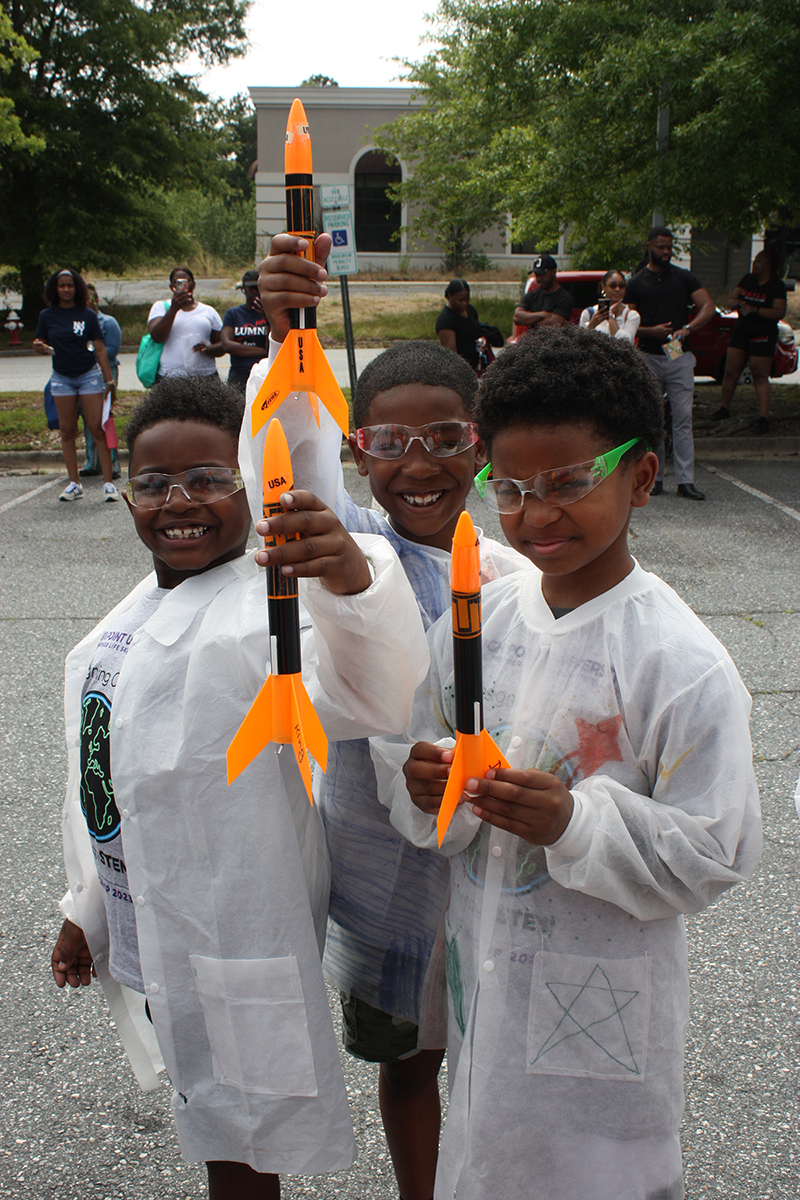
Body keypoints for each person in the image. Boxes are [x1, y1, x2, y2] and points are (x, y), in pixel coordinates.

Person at [371, 324, 761, 1200]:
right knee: (486, 1153)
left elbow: (715, 848)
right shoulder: (481, 625)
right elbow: (413, 752)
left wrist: (575, 823)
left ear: (642, 478)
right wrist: (425, 781)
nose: (536, 515)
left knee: (595, 1174)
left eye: (569, 484)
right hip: (487, 976)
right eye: (509, 489)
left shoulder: (675, 660)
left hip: (600, 1003)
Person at [50, 375, 429, 1199]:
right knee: (210, 1114)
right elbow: (99, 783)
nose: (179, 500)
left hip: (236, 935)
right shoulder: (121, 623)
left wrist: (352, 585)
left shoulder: (273, 607)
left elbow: (373, 690)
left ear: (251, 485)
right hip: (151, 927)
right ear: (125, 497)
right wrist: (88, 909)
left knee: (245, 1145)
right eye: (152, 483)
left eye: (211, 479)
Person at [246, 232, 531, 1200]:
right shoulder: (344, 546)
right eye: (389, 443)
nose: (419, 465)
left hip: (496, 874)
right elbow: (291, 471)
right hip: (382, 882)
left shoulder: (511, 575)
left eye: (446, 439)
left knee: (497, 1062)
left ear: (478, 447)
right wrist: (287, 335)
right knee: (407, 1066)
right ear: (358, 448)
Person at [624, 227, 715, 500]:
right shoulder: (637, 282)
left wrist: (688, 328)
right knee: (655, 418)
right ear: (649, 246)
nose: (666, 252)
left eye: (669, 247)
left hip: (677, 354)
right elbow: (625, 323)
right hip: (650, 355)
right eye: (661, 247)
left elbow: (708, 307)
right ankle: (657, 477)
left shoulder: (683, 277)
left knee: (683, 418)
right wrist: (650, 331)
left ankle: (686, 480)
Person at [33, 268, 119, 502]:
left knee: (96, 428)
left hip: (88, 375)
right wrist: (39, 346)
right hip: (61, 378)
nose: (66, 289)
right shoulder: (47, 316)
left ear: (77, 288)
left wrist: (108, 380)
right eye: (62, 285)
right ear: (55, 289)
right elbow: (41, 342)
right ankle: (74, 483)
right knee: (67, 431)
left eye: (70, 285)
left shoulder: (87, 315)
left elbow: (100, 349)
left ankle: (109, 483)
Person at [711, 247, 787, 434]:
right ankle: (724, 408)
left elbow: (779, 312)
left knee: (760, 375)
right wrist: (738, 304)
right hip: (741, 331)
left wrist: (756, 310)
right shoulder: (747, 280)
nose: (754, 264)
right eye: (754, 261)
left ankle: (763, 418)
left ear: (769, 265)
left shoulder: (776, 285)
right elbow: (732, 299)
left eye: (759, 261)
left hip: (763, 334)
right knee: (730, 372)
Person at [147, 267, 225, 378]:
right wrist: (174, 308)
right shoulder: (161, 307)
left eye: (187, 281)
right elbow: (157, 337)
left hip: (205, 376)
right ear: (172, 287)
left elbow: (223, 344)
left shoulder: (208, 311)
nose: (183, 285)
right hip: (170, 377)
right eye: (177, 282)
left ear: (193, 284)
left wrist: (208, 348)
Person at [80, 282, 122, 479]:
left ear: (95, 300)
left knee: (106, 419)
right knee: (89, 421)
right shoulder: (78, 323)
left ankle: (113, 464)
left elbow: (112, 349)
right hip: (84, 373)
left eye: (87, 299)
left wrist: (94, 353)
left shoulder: (108, 322)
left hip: (106, 372)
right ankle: (92, 462)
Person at [435, 279, 503, 373]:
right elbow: (452, 356)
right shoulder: (446, 320)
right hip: (464, 371)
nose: (464, 303)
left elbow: (477, 330)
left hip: (479, 365)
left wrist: (483, 339)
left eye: (467, 299)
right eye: (460, 300)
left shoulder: (470, 310)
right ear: (450, 296)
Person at [221, 268, 270, 390]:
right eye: (251, 288)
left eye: (258, 288)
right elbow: (227, 345)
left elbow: (272, 348)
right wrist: (262, 351)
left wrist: (267, 317)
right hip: (239, 374)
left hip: (263, 374)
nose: (255, 292)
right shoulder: (233, 314)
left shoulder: (271, 315)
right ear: (243, 289)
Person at [512, 253, 573, 336]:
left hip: (553, 345)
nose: (539, 278)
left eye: (543, 274)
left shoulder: (564, 298)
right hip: (532, 344)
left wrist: (529, 317)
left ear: (553, 271)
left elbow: (554, 325)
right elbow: (517, 317)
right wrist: (543, 314)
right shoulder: (532, 295)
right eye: (537, 275)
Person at [579, 269, 640, 343]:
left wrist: (610, 315)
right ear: (603, 287)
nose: (617, 289)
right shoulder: (589, 313)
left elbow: (626, 344)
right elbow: (580, 343)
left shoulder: (632, 315)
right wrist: (592, 325)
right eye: (613, 286)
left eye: (621, 286)